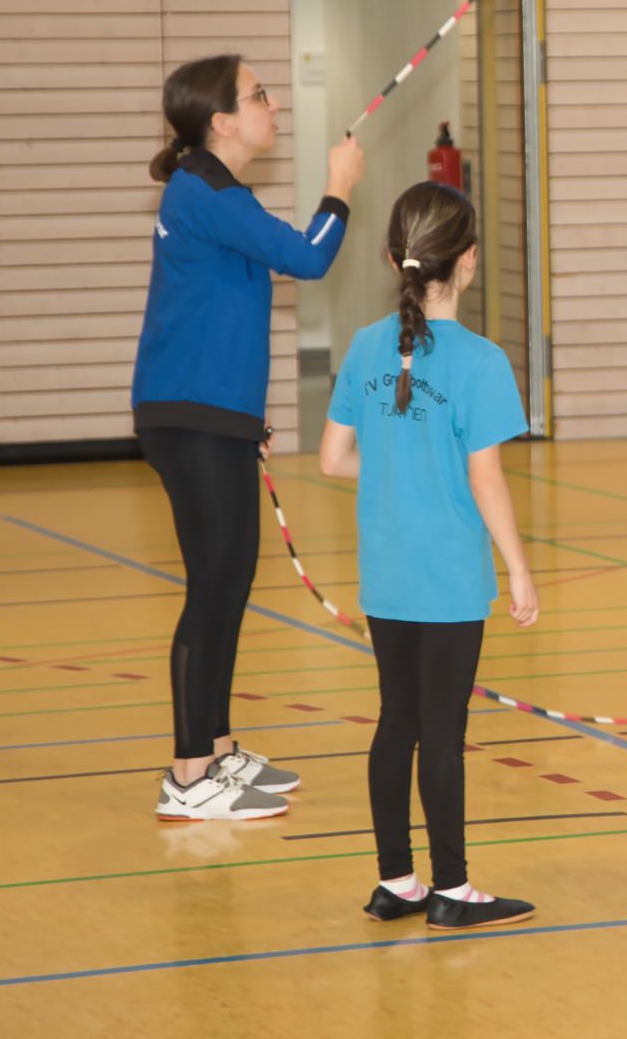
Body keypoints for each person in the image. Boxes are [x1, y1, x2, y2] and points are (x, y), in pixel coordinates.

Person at [136, 54, 364, 821]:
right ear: (221, 121)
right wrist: (340, 185)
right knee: (214, 588)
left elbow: (216, 316)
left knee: (228, 585)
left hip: (211, 416)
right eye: (259, 95)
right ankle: (189, 775)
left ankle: (217, 748)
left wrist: (243, 419)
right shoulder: (205, 191)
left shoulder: (211, 192)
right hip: (191, 418)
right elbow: (308, 255)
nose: (274, 105)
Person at [319, 181, 540, 930]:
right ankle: (452, 888)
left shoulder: (364, 346)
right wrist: (518, 566)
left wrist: (393, 468)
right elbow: (485, 476)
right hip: (448, 577)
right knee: (442, 731)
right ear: (469, 260)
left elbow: (333, 460)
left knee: (397, 721)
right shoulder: (481, 362)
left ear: (393, 259)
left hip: (385, 574)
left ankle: (397, 881)